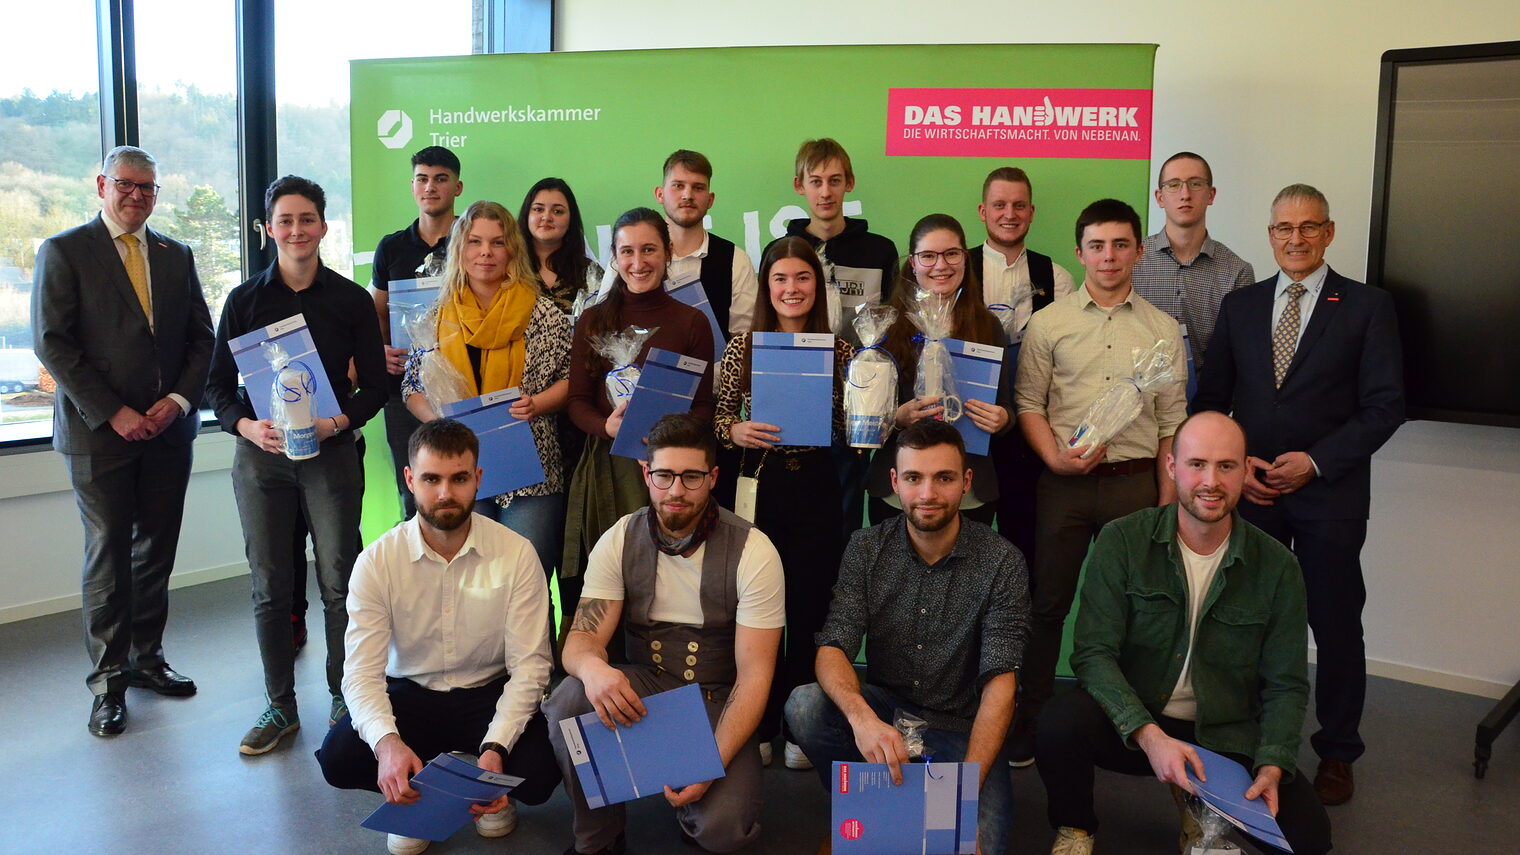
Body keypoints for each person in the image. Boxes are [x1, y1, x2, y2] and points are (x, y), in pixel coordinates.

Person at [1035, 412, 1332, 855]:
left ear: (1244, 471)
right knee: (1058, 723)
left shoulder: (1278, 566)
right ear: (1172, 468)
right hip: (1137, 724)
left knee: (1310, 842)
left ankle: (1200, 803)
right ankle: (1076, 827)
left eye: (1226, 466)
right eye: (1197, 464)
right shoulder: (1123, 541)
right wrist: (1150, 737)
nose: (1210, 481)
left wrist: (1273, 763)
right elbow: (1094, 654)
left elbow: (1286, 683)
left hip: (1224, 736)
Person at [1193, 183, 1405, 806]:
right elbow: (1212, 399)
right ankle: (1248, 742)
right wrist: (1237, 468)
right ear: (1270, 235)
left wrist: (1314, 463)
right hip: (1252, 493)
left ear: (1329, 232)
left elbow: (1385, 405)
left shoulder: (1367, 307)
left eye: (1309, 227)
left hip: (1329, 497)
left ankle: (1338, 752)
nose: (1296, 238)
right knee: (1245, 621)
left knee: (1335, 624)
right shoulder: (1242, 305)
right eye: (1284, 228)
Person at [31, 145, 215, 736]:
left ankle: (147, 659)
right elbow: (52, 344)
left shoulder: (175, 253)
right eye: (126, 185)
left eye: (148, 187)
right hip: (99, 434)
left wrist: (179, 402)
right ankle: (108, 684)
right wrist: (115, 412)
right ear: (102, 185)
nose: (137, 195)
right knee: (109, 554)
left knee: (156, 548)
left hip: (168, 430)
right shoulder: (64, 251)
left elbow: (200, 339)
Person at [785, 417, 1029, 855]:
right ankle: (862, 802)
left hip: (961, 729)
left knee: (978, 846)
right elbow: (833, 646)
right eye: (914, 478)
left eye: (944, 478)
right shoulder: (865, 547)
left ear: (966, 482)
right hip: (886, 714)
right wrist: (863, 720)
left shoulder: (1002, 561)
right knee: (804, 704)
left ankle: (904, 806)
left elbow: (1001, 686)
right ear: (895, 482)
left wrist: (962, 795)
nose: (928, 494)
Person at [316, 419, 561, 855]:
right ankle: (419, 801)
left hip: (489, 694)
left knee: (542, 774)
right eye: (431, 479)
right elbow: (360, 673)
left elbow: (531, 666)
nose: (445, 493)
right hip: (411, 694)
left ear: (478, 479)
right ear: (411, 479)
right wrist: (388, 744)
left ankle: (487, 793)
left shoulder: (517, 554)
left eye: (459, 478)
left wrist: (496, 749)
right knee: (340, 758)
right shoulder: (376, 562)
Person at [205, 175, 388, 755]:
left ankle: (343, 696)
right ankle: (279, 704)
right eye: (284, 220)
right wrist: (247, 426)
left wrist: (338, 423)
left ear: (323, 227)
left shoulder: (350, 300)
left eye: (306, 219)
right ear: (268, 230)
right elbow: (216, 385)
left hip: (331, 457)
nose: (296, 229)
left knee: (339, 581)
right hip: (263, 460)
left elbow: (379, 383)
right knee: (269, 585)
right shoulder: (244, 301)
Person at [545, 414, 784, 855]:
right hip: (646, 688)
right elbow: (580, 641)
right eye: (665, 475)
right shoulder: (619, 537)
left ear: (713, 477)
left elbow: (754, 677)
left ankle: (700, 818)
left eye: (691, 476)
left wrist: (709, 765)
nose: (676, 490)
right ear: (646, 474)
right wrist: (595, 669)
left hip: (717, 700)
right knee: (568, 699)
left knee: (725, 831)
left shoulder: (755, 550)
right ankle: (599, 838)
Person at [1012, 199, 1187, 765]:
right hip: (1062, 485)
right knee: (1047, 605)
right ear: (1079, 250)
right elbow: (1028, 403)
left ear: (1139, 249)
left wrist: (1166, 500)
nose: (1108, 256)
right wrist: (1055, 459)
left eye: (1119, 244)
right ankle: (1032, 720)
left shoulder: (1163, 330)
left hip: (1136, 486)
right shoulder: (1049, 322)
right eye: (1096, 245)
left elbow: (1171, 425)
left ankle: (1131, 725)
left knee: (1136, 609)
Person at [714, 236, 853, 767]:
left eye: (802, 279)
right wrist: (735, 430)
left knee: (811, 606)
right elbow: (716, 419)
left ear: (816, 287)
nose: (791, 289)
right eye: (780, 279)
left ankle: (800, 725)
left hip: (817, 488)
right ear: (766, 287)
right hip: (758, 490)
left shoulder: (840, 351)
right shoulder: (741, 348)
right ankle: (761, 719)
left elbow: (850, 429)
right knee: (758, 610)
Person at [559, 208, 717, 627]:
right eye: (627, 251)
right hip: (610, 468)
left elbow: (704, 406)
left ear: (667, 253)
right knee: (611, 575)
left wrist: (675, 445)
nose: (638, 262)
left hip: (674, 474)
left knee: (667, 580)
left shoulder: (693, 322)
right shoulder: (593, 320)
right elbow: (576, 401)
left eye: (649, 249)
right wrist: (606, 426)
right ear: (614, 257)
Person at [401, 200, 572, 584]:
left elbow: (571, 378)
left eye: (497, 243)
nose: (486, 253)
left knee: (528, 585)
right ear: (460, 251)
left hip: (531, 468)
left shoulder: (543, 314)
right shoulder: (435, 318)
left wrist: (538, 403)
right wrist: (442, 423)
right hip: (458, 470)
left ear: (512, 250)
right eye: (475, 242)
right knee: (469, 586)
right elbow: (411, 386)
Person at [768, 137, 899, 538]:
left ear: (850, 183)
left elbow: (894, 328)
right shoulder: (781, 249)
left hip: (861, 407)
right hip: (797, 401)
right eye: (816, 181)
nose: (825, 192)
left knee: (848, 524)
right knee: (795, 520)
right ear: (799, 186)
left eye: (835, 180)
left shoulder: (879, 251)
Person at [866, 213, 1014, 527]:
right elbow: (864, 421)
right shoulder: (884, 326)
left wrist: (1002, 419)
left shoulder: (988, 326)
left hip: (971, 491)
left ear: (965, 259)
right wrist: (898, 417)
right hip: (899, 491)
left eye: (951, 254)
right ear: (913, 264)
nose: (940, 265)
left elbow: (1006, 409)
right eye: (928, 256)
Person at [970, 166, 1076, 566]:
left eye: (1018, 205)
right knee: (965, 550)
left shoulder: (1058, 277)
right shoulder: (956, 268)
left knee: (1024, 548)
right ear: (983, 211)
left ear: (1032, 212)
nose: (1008, 214)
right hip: (972, 431)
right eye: (999, 205)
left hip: (1033, 435)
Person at [370, 146, 463, 519]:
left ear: (457, 187)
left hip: (465, 385)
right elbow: (377, 310)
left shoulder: (473, 244)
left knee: (469, 490)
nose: (431, 187)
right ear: (412, 186)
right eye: (422, 179)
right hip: (405, 391)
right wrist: (382, 349)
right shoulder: (391, 247)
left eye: (441, 179)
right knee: (415, 498)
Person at [593, 150, 759, 338]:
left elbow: (743, 339)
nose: (687, 195)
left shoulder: (735, 260)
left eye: (698, 187)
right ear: (660, 194)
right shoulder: (629, 258)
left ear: (710, 199)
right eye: (678, 186)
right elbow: (602, 322)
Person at [1131, 152, 1255, 371]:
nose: (1185, 194)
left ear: (1211, 194)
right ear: (1160, 197)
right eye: (1174, 185)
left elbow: (1242, 352)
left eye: (1195, 184)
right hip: (1136, 398)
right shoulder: (1132, 260)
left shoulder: (1237, 272)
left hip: (1205, 401)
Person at [518, 176, 604, 320]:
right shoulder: (508, 268)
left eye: (557, 211)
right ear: (527, 215)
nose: (546, 217)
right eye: (538, 209)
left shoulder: (590, 272)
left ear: (571, 218)